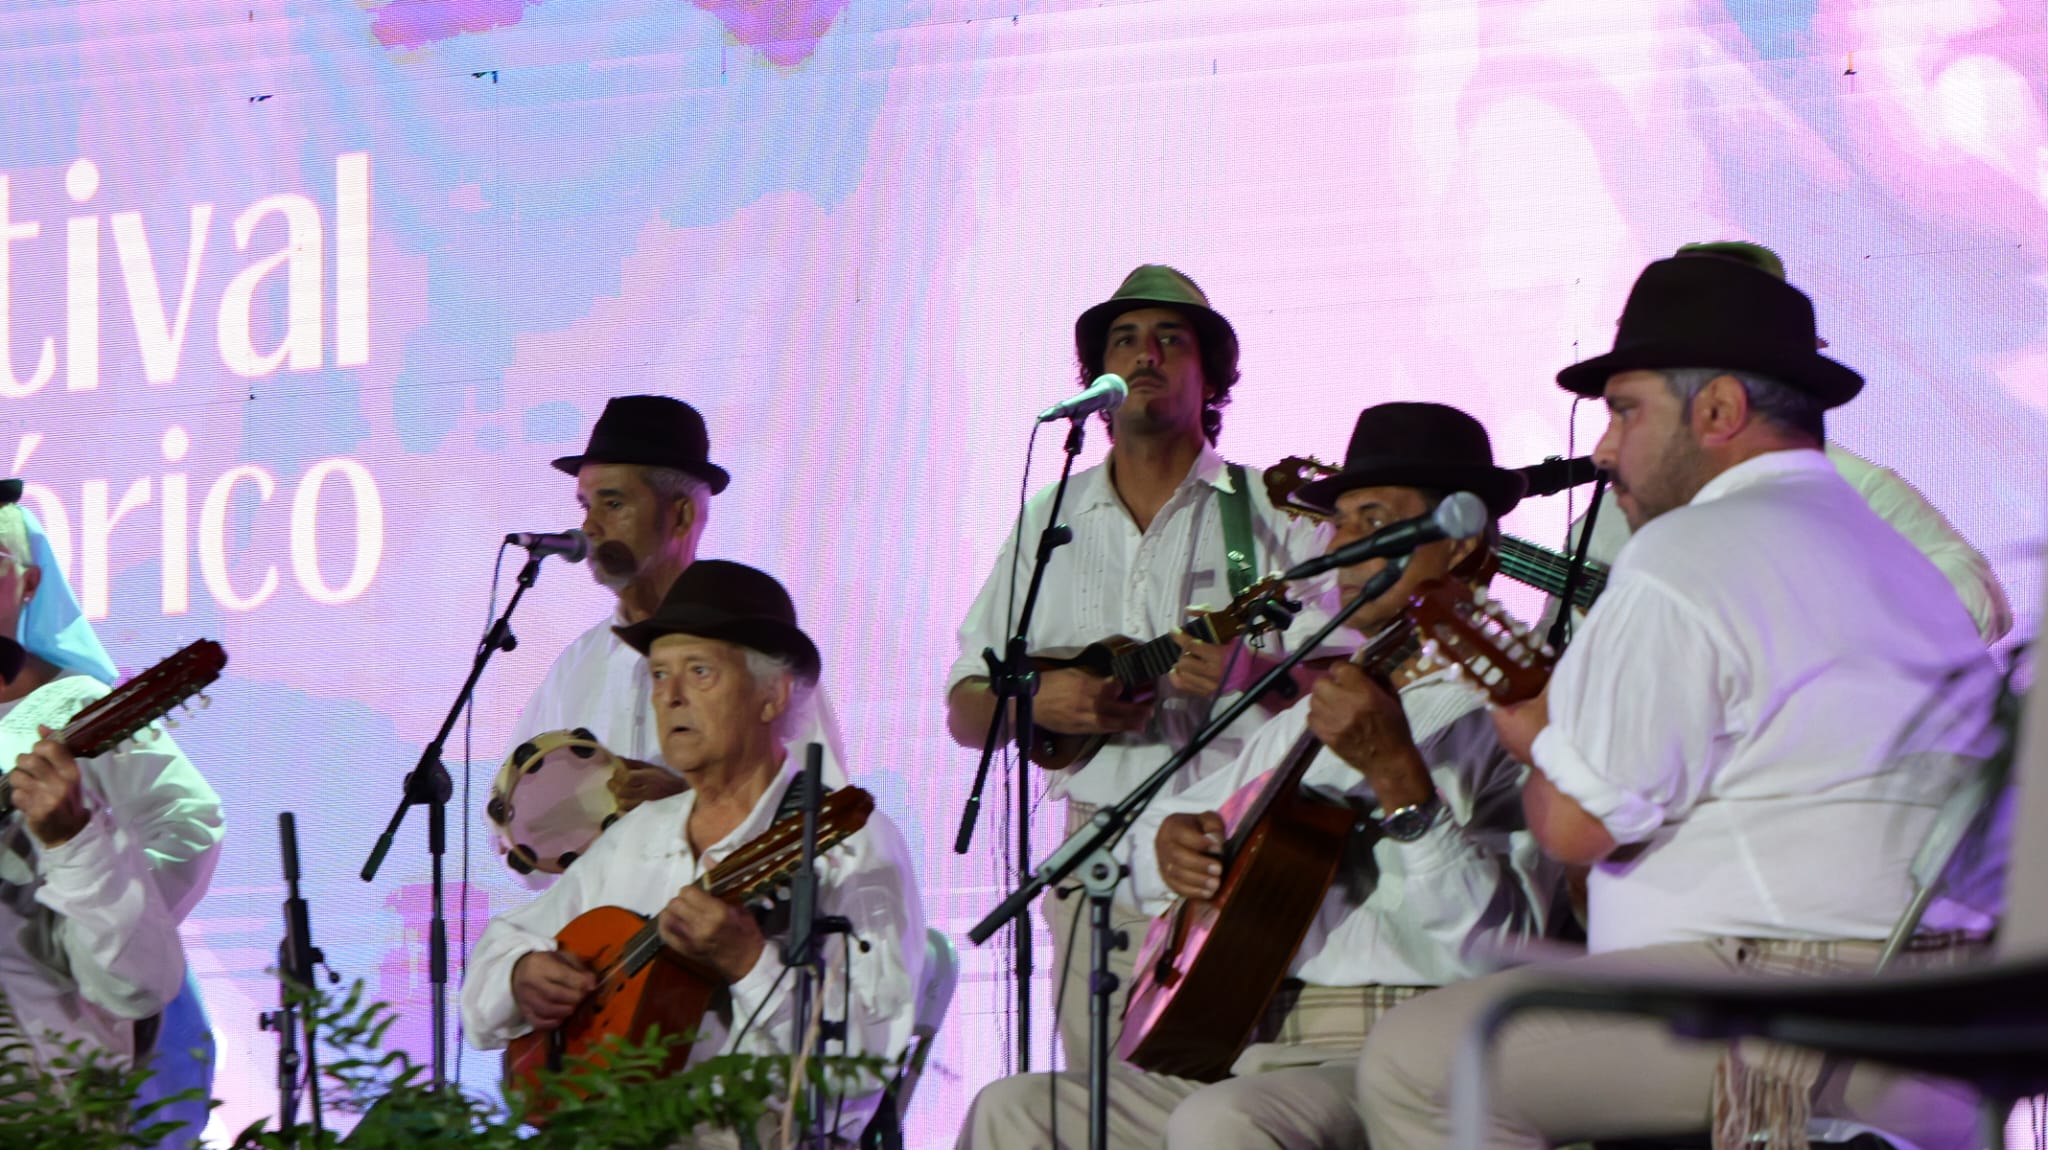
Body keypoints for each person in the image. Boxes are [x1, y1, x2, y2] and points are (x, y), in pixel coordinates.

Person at [1357, 256, 2000, 1149]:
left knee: (1418, 1066)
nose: (1602, 447)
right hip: (1933, 1009)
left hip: (1776, 1009)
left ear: (1719, 411)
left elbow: (1578, 830)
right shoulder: (1900, 558)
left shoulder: (1689, 549)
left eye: (1626, 410)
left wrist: (1542, 742)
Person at [956, 404, 1563, 1149]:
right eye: (1338, 525)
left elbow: (1500, 946)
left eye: (1372, 521)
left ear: (1464, 544)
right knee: (1017, 1111)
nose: (1342, 547)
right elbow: (1151, 829)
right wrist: (1172, 846)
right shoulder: (1316, 709)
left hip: (1408, 1054)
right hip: (1254, 1044)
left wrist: (1404, 785)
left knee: (1225, 1123)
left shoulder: (1517, 705)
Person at [946, 265, 1344, 1061]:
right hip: (1095, 856)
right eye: (1123, 339)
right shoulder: (1050, 516)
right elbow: (965, 707)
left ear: (1213, 376)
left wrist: (1250, 678)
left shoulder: (1268, 510)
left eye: (1170, 338)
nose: (1144, 354)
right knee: (1101, 1103)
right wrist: (1041, 702)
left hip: (1235, 843)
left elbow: (1346, 685)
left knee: (1226, 1095)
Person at [464, 560, 924, 1145]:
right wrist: (521, 974)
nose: (671, 697)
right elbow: (492, 969)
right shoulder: (636, 836)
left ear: (772, 695)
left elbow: (858, 1072)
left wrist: (750, 963)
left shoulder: (854, 843)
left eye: (699, 672)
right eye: (658, 675)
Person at [1543, 242, 2010, 644]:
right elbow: (1553, 668)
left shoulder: (1851, 487)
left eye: (1628, 410)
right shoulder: (1604, 523)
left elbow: (1976, 595)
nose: (1607, 449)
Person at [503, 395, 846, 882]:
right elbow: (524, 835)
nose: (588, 527)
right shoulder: (578, 665)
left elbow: (828, 822)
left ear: (681, 516)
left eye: (614, 503)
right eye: (585, 504)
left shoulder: (757, 653)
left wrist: (692, 810)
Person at [0, 483, 224, 1149]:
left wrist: (71, 864)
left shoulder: (73, 708)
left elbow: (185, 829)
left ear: (28, 582)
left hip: (41, 1069)